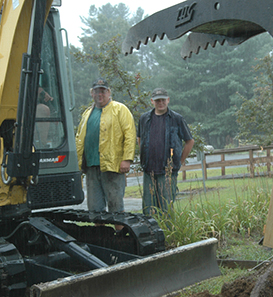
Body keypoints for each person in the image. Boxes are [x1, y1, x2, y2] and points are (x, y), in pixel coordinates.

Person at [76, 77, 136, 230]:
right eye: (96, 91)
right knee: (95, 208)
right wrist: (78, 162)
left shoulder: (120, 109)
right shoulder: (87, 113)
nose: (99, 94)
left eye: (102, 91)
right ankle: (103, 239)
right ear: (91, 93)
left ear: (109, 92)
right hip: (91, 166)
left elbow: (130, 135)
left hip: (113, 166)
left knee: (116, 206)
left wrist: (127, 159)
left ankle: (121, 239)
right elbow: (79, 138)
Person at [137, 88, 195, 215]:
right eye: (157, 100)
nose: (160, 102)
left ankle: (167, 234)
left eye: (163, 100)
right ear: (152, 101)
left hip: (167, 173)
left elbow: (189, 141)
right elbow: (139, 138)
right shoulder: (144, 119)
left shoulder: (177, 119)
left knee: (166, 210)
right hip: (149, 172)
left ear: (168, 100)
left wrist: (179, 161)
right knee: (148, 210)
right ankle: (150, 234)